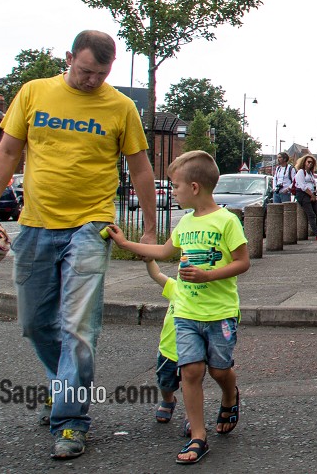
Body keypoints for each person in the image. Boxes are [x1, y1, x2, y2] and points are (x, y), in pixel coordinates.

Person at [0, 29, 156, 460]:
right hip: (35, 224)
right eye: (86, 71)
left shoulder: (121, 107)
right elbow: (7, 152)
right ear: (69, 57)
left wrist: (149, 227)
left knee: (78, 326)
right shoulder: (34, 93)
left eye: (102, 74)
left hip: (91, 225)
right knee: (35, 322)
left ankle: (71, 420)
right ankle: (65, 389)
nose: (93, 81)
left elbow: (142, 168)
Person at [108, 150, 247, 466]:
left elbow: (243, 262)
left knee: (219, 369)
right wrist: (127, 244)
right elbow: (165, 250)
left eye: (175, 186)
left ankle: (229, 395)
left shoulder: (227, 221)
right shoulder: (184, 222)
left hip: (220, 313)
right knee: (191, 370)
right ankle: (199, 435)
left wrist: (208, 275)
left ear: (195, 187)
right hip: (185, 311)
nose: (172, 191)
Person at [141, 256, 181, 426]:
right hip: (168, 350)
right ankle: (169, 400)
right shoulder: (175, 288)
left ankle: (192, 416)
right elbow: (156, 274)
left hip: (192, 351)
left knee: (192, 385)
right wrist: (149, 261)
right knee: (165, 382)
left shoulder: (204, 294)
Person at [294, 154, 317, 241]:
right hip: (303, 195)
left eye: (312, 163)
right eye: (308, 162)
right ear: (304, 162)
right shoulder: (301, 172)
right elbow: (302, 186)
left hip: (311, 195)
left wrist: (314, 193)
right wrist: (311, 195)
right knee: (311, 215)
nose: (310, 164)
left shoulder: (310, 173)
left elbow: (312, 184)